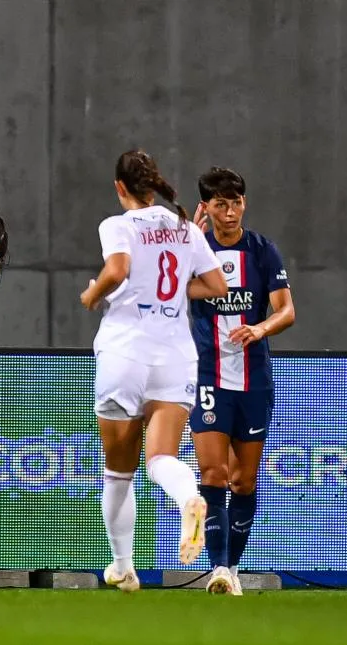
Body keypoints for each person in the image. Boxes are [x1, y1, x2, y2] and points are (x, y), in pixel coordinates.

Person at [80, 149, 228, 593]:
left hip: (125, 350)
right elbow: (217, 285)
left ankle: (123, 567)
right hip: (176, 352)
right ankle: (188, 498)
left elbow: (118, 268)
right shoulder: (185, 227)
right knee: (162, 457)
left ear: (120, 187)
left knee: (118, 471)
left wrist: (92, 296)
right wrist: (174, 289)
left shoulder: (117, 224)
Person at [188, 168, 295, 596]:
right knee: (213, 472)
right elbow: (168, 293)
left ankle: (232, 567)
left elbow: (286, 310)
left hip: (254, 378)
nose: (229, 212)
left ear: (244, 203)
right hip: (207, 374)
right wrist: (185, 247)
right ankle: (217, 568)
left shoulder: (262, 251)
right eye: (220, 204)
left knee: (244, 481)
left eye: (235, 203)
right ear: (207, 207)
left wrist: (260, 329)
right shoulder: (195, 249)